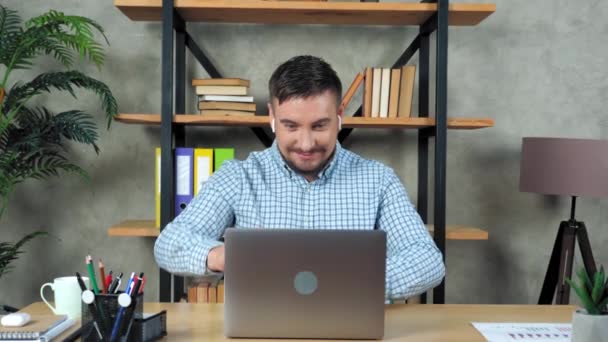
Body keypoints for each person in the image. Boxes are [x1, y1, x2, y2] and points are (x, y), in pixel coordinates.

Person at [154, 55, 445, 300]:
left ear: (340, 115)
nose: (306, 144)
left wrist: (358, 283)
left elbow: (427, 260)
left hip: (351, 325)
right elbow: (169, 244)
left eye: (319, 126)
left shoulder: (379, 181)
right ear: (272, 116)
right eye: (291, 126)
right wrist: (220, 256)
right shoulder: (238, 177)